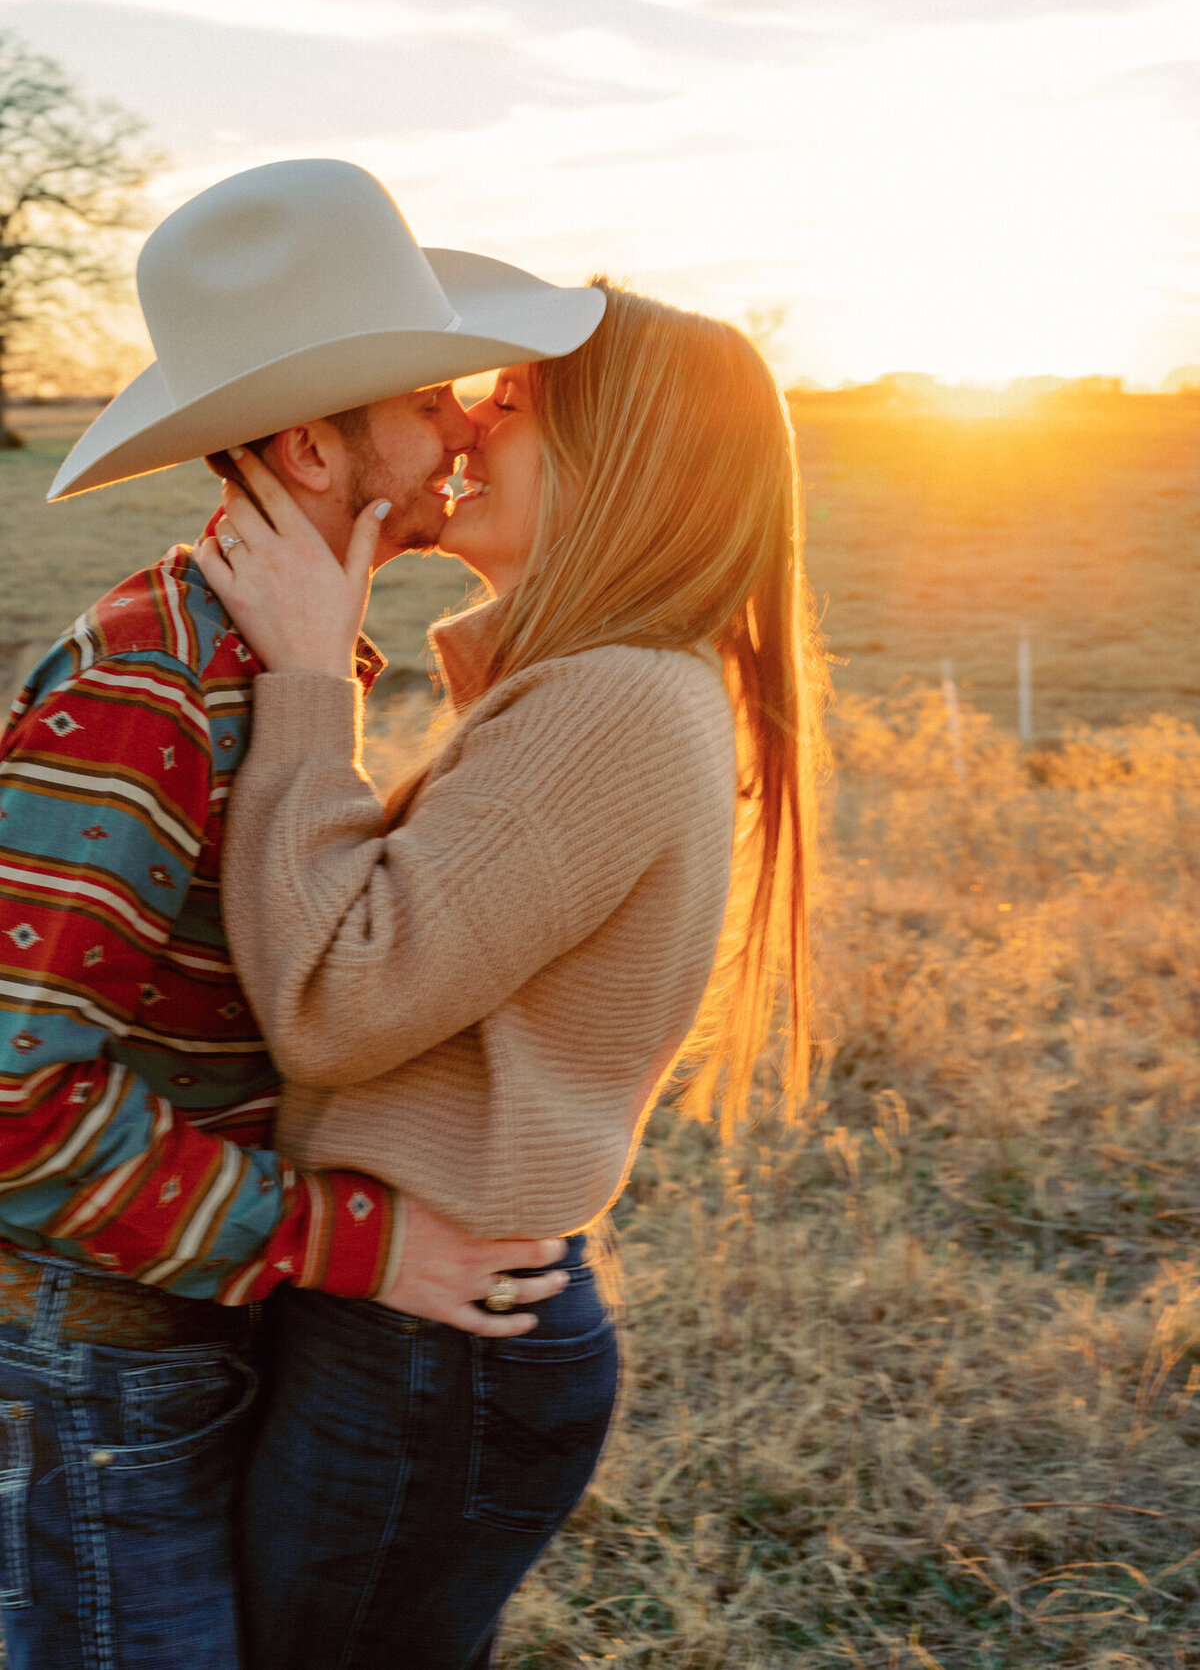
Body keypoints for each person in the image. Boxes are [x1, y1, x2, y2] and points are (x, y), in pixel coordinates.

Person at [0, 157, 605, 1670]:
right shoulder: (152, 683)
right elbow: (7, 1097)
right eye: (422, 399)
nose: (463, 419)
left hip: (174, 1336)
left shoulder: (275, 660)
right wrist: (353, 1239)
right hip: (94, 1375)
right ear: (306, 444)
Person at [202, 279, 825, 1670]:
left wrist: (309, 675)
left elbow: (338, 997)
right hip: (426, 1325)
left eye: (517, 402)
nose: (469, 419)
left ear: (626, 460)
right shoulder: (604, 684)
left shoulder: (614, 697)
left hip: (432, 1344)